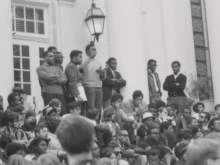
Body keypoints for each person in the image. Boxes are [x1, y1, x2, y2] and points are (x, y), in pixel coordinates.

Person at [79, 42, 106, 119]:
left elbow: (102, 78)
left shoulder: (98, 62)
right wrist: (90, 57)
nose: (95, 51)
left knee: (98, 109)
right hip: (89, 87)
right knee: (91, 108)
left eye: (95, 49)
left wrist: (103, 73)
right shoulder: (84, 61)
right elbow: (81, 68)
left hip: (99, 87)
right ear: (87, 51)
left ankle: (97, 125)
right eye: (93, 49)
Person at [36, 50, 67, 115]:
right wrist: (59, 78)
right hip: (48, 92)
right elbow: (47, 77)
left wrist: (53, 80)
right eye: (50, 56)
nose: (53, 58)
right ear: (45, 58)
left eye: (53, 56)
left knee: (63, 112)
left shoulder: (58, 68)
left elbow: (65, 79)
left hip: (60, 93)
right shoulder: (40, 68)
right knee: (50, 112)